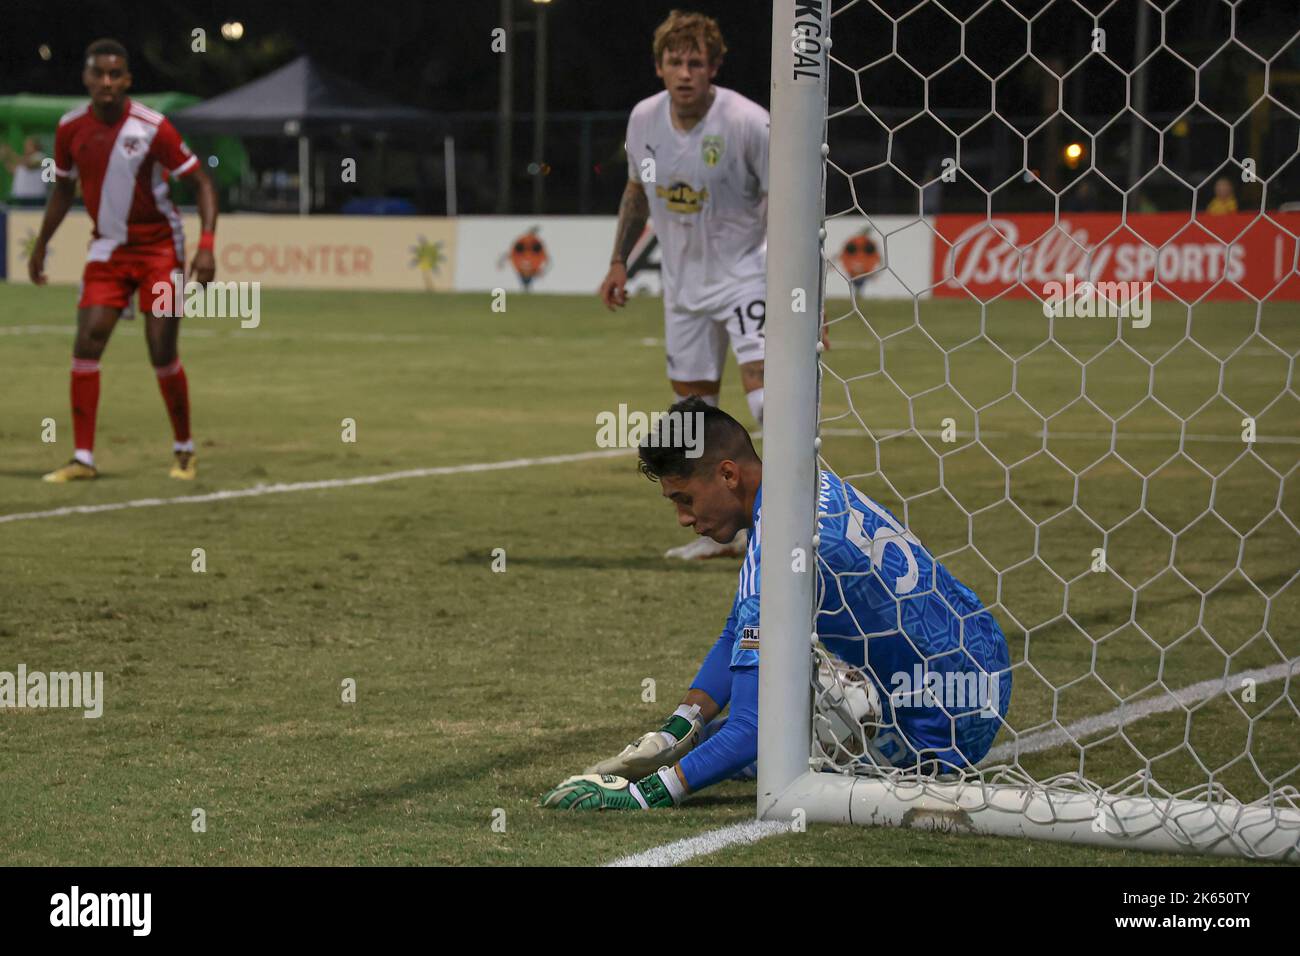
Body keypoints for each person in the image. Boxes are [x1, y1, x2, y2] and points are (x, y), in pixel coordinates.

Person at [540, 398, 1012, 811]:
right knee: (786, 697)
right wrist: (677, 730)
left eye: (684, 499)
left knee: (779, 743)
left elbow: (750, 727)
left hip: (939, 724)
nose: (683, 518)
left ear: (727, 474)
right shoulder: (801, 484)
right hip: (983, 656)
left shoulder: (778, 546)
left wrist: (649, 792)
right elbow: (737, 631)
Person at [598, 10, 770, 560]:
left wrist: (804, 295)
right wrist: (619, 260)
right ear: (659, 67)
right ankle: (723, 532)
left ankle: (790, 526)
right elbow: (636, 191)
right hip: (684, 289)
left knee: (769, 401)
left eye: (697, 62)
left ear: (715, 67)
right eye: (676, 62)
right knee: (694, 419)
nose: (686, 72)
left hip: (749, 274)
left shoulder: (748, 122)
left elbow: (790, 204)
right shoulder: (644, 120)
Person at [30, 39, 219, 482]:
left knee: (161, 348)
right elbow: (62, 191)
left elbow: (203, 183)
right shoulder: (70, 128)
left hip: (160, 250)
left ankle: (184, 449)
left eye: (116, 75)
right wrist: (41, 245)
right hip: (108, 250)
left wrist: (206, 244)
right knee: (88, 342)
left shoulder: (154, 128)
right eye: (99, 73)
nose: (107, 82)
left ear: (128, 80)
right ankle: (83, 458)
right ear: (86, 78)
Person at [1, 136, 50, 206]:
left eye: (29, 145)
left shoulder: (41, 157)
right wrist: (5, 158)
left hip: (35, 198)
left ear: (36, 146)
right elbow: (13, 171)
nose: (26, 147)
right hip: (19, 196)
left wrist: (10, 153)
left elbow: (29, 165)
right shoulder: (24, 159)